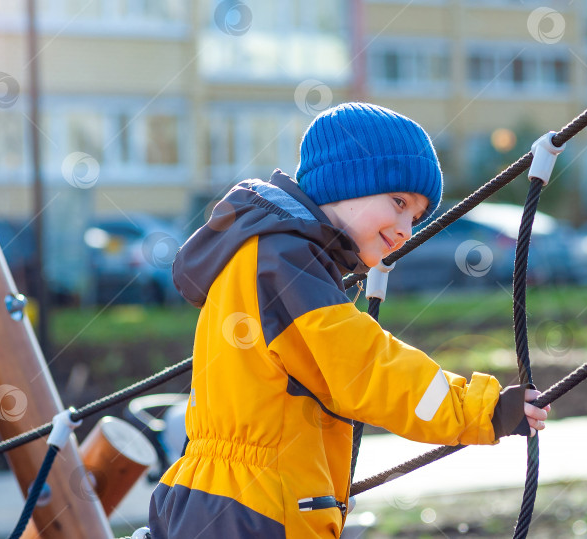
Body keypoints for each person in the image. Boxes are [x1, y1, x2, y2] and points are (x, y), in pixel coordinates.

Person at [148, 102, 550, 538]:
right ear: (346, 182)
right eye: (398, 202)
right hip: (254, 509)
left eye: (414, 218)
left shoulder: (266, 252)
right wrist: (483, 410)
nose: (405, 229)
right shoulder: (284, 261)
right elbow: (366, 368)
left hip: (222, 496)